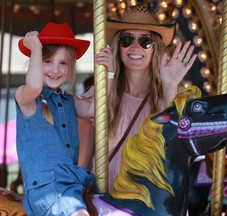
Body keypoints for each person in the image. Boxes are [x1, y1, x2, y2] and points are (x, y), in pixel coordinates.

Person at [78, 4, 197, 192]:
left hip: (152, 198)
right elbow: (81, 161)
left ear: (154, 49)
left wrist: (169, 86)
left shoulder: (170, 94)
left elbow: (175, 148)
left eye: (145, 41)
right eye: (127, 39)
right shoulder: (100, 93)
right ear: (118, 46)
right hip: (109, 198)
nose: (135, 47)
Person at [15, 22, 95, 216]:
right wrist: (35, 49)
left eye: (63, 63)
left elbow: (95, 111)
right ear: (35, 61)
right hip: (47, 189)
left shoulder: (69, 101)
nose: (55, 69)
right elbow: (34, 86)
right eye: (47, 61)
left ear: (71, 67)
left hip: (71, 183)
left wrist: (107, 75)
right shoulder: (26, 97)